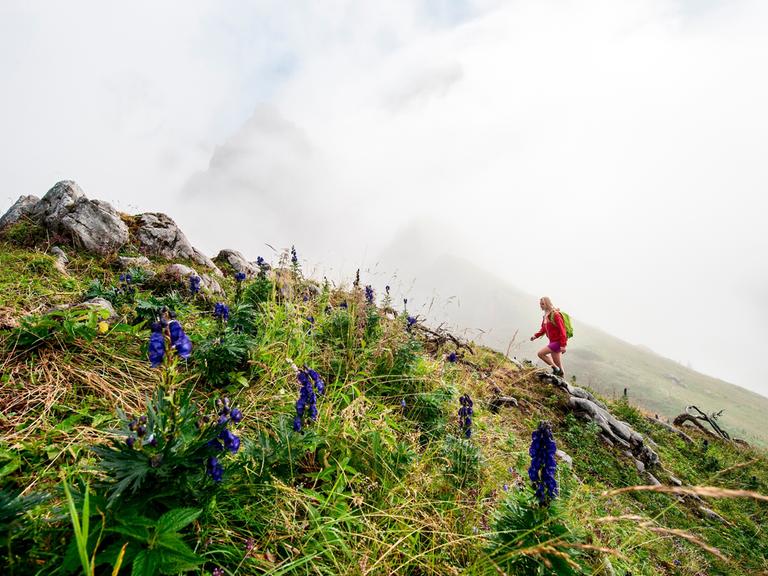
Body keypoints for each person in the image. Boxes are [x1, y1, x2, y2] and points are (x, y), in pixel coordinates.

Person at [530, 296, 567, 377]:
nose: (541, 306)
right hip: (552, 342)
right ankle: (562, 379)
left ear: (547, 303)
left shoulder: (556, 314)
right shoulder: (546, 316)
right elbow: (544, 328)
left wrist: (563, 345)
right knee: (559, 366)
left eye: (543, 304)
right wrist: (535, 336)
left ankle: (555, 368)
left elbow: (562, 330)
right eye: (540, 304)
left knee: (540, 354)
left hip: (557, 342)